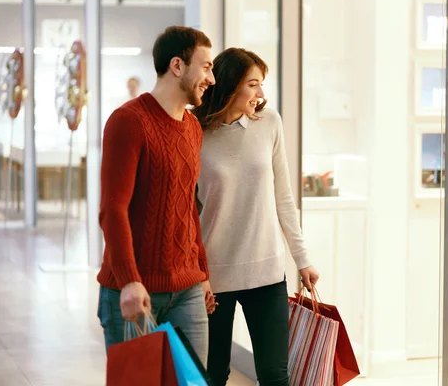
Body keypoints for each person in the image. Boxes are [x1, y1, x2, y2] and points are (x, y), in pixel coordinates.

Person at [193, 48, 320, 386]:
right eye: (253, 85)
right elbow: (187, 210)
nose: (261, 94)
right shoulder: (194, 132)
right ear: (231, 86)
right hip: (212, 277)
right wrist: (194, 271)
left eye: (261, 85)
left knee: (274, 375)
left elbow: (284, 197)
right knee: (213, 374)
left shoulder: (270, 123)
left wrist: (302, 259)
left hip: (265, 270)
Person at [96, 26, 217, 365]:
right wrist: (130, 281)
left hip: (187, 289)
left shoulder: (192, 128)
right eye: (206, 66)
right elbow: (113, 209)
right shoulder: (128, 121)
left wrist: (202, 270)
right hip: (134, 288)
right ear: (177, 66)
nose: (212, 78)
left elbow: (186, 205)